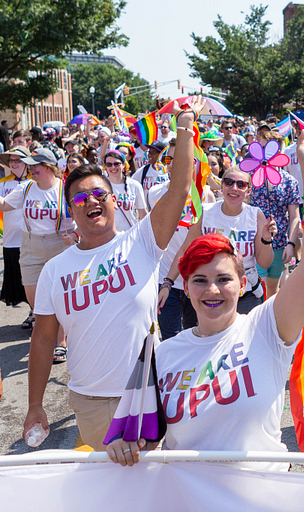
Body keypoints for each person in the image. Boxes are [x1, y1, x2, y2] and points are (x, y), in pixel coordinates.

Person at [106, 124, 304, 468]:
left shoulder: (268, 329)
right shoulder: (164, 355)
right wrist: (123, 446)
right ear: (187, 288)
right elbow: (145, 438)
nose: (212, 289)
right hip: (187, 499)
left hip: (263, 494)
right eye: (199, 279)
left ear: (243, 285)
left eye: (223, 279)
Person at [22, 98, 205, 450]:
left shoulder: (143, 240)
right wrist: (34, 405)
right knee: (112, 491)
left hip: (149, 389)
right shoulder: (54, 270)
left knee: (153, 488)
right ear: (70, 210)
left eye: (98, 193)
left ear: (113, 200)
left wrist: (183, 127)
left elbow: (181, 188)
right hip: (91, 401)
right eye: (79, 198)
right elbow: (43, 339)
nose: (91, 201)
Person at [159, 166, 277, 318]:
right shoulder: (206, 212)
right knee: (209, 338)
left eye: (241, 185)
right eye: (229, 182)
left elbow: (264, 263)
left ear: (248, 191)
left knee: (242, 339)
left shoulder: (255, 215)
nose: (234, 188)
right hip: (210, 291)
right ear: (221, 186)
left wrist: (266, 240)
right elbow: (184, 251)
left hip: (245, 292)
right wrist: (168, 283)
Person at [0, 148, 76, 361]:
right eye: (30, 166)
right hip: (30, 245)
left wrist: (75, 235)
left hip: (58, 245)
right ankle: (47, 332)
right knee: (35, 299)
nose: (31, 169)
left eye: (36, 166)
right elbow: (5, 205)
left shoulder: (65, 189)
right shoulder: (25, 188)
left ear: (50, 167)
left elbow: (79, 216)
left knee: (58, 296)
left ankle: (60, 341)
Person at [148, 138, 216, 339]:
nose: (173, 164)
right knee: (169, 337)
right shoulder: (154, 193)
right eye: (169, 159)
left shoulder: (206, 195)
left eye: (181, 158)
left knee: (196, 335)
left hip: (196, 278)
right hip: (164, 279)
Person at [248, 152, 301, 299]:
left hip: (279, 243)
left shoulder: (290, 181)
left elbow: (294, 216)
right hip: (254, 243)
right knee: (260, 291)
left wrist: (291, 244)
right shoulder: (250, 177)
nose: (265, 156)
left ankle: (270, 321)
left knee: (272, 291)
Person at [0, 147, 31, 321]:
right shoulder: (3, 183)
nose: (14, 163)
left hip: (31, 240)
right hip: (11, 240)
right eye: (11, 160)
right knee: (18, 282)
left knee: (32, 280)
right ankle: (31, 312)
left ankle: (34, 314)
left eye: (18, 160)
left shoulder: (35, 182)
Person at [103, 150, 147, 232]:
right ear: (105, 167)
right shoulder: (101, 187)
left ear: (123, 165)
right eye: (109, 164)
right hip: (109, 237)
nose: (113, 167)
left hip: (130, 235)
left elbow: (143, 214)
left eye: (117, 164)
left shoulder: (135, 185)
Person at [132, 140, 169, 206]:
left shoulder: (168, 172)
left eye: (153, 153)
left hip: (165, 211)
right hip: (148, 213)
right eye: (149, 152)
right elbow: (131, 184)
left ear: (162, 154)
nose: (149, 155)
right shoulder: (144, 170)